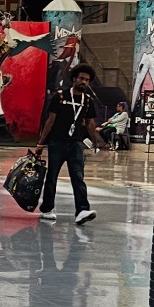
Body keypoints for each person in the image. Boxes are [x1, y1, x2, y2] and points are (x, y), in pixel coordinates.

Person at [37, 64, 102, 224]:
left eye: (87, 80)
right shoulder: (60, 97)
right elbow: (50, 121)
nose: (84, 82)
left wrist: (95, 141)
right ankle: (47, 208)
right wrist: (41, 143)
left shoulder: (87, 101)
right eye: (81, 78)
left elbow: (90, 122)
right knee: (52, 176)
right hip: (57, 143)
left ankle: (82, 210)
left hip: (76, 145)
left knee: (78, 177)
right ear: (74, 79)